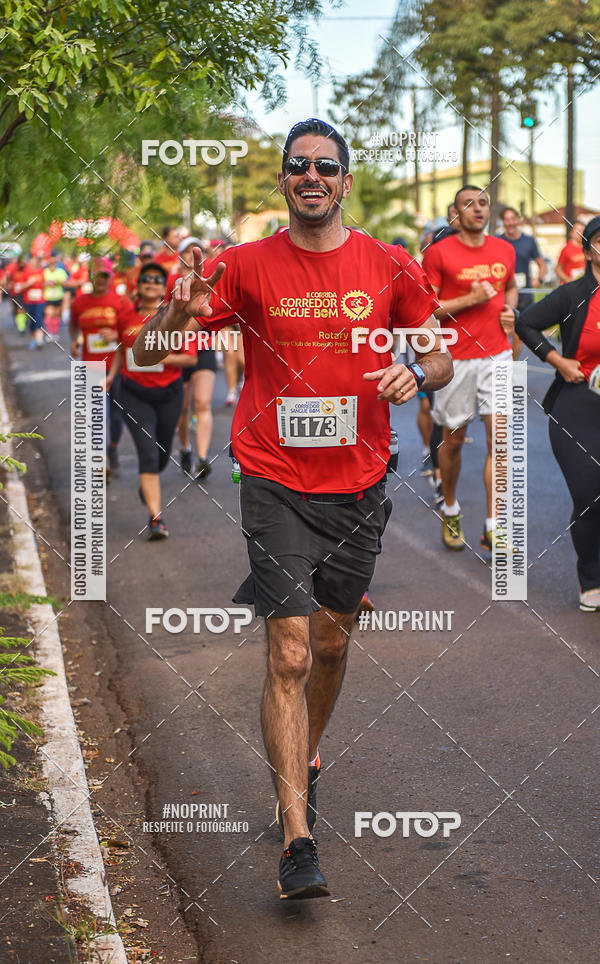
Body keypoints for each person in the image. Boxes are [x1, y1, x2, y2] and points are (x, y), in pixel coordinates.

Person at [134, 117, 452, 899]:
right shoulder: (241, 267)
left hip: (359, 482)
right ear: (283, 181)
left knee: (333, 649)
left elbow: (440, 348)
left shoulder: (387, 263)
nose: (311, 175)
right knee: (290, 653)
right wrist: (180, 307)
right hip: (273, 478)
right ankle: (296, 838)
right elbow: (146, 353)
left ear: (345, 180)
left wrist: (421, 373)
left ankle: (304, 752)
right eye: (297, 165)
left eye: (326, 166)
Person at [422, 185, 518, 551]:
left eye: (483, 203)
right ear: (456, 213)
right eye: (469, 204)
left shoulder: (504, 250)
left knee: (502, 440)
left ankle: (494, 523)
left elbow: (509, 287)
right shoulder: (439, 253)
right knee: (454, 441)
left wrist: (510, 311)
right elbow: (428, 311)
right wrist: (471, 299)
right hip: (456, 358)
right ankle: (450, 507)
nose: (478, 209)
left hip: (497, 354)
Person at [516, 215, 600, 611]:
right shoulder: (572, 295)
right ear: (587, 250)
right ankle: (592, 581)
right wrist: (559, 361)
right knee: (589, 496)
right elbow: (526, 323)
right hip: (576, 406)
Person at [107, 263, 196, 538]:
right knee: (147, 454)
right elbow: (121, 350)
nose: (151, 283)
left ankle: (148, 482)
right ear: (138, 285)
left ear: (164, 287)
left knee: (161, 455)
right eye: (146, 279)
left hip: (169, 392)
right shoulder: (124, 315)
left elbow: (190, 358)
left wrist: (156, 354)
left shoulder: (175, 317)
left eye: (157, 280)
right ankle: (156, 518)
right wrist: (110, 375)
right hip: (134, 393)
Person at [70, 258, 132, 478]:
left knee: (116, 416)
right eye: (97, 276)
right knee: (97, 414)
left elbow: (130, 330)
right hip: (91, 365)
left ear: (110, 278)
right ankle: (100, 462)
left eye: (105, 276)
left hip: (116, 364)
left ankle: (112, 447)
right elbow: (73, 325)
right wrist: (75, 342)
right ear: (90, 278)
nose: (101, 281)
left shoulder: (121, 301)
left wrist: (116, 335)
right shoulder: (79, 302)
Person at [168, 237, 217, 478]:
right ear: (179, 254)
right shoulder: (169, 280)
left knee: (203, 403)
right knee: (182, 408)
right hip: (177, 349)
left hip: (204, 346)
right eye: (187, 251)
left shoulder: (209, 280)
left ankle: (203, 458)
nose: (192, 255)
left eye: (196, 250)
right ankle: (186, 448)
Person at [498, 206, 546, 359]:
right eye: (507, 219)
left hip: (524, 294)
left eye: (513, 219)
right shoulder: (497, 241)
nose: (510, 223)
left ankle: (511, 363)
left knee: (520, 332)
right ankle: (501, 362)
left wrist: (539, 278)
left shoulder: (529, 240)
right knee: (503, 329)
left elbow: (541, 264)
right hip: (504, 293)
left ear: (518, 220)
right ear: (503, 222)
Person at [17, 255, 46, 349]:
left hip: (40, 300)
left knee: (38, 319)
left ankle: (39, 341)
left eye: (35, 262)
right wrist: (29, 283)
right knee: (32, 321)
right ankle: (33, 339)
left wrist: (48, 283)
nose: (33, 264)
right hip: (29, 301)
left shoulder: (42, 271)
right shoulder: (26, 272)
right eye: (31, 262)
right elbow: (20, 286)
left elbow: (44, 283)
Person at [43, 250, 69, 338]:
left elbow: (66, 282)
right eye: (51, 264)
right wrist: (46, 283)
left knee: (57, 315)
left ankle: (55, 332)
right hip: (48, 297)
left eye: (54, 264)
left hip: (58, 296)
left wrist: (58, 282)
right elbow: (40, 283)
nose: (52, 266)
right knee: (49, 314)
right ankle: (49, 332)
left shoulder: (60, 271)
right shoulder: (44, 271)